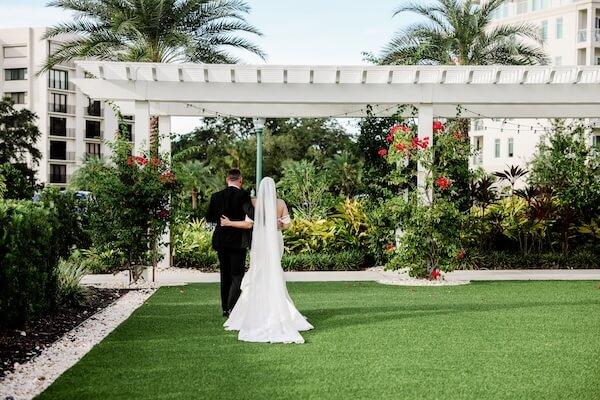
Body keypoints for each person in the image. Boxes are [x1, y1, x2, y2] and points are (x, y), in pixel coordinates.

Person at [221, 177, 313, 344]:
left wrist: (228, 223)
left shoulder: (254, 203)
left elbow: (248, 225)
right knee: (273, 270)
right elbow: (286, 225)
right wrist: (277, 223)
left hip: (260, 241)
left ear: (260, 188)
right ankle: (278, 306)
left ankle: (256, 308)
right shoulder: (280, 203)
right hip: (275, 240)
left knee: (259, 271)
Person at [206, 169, 254, 317]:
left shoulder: (216, 197)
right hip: (238, 242)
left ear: (227, 179)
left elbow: (209, 218)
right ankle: (233, 306)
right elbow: (252, 214)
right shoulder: (243, 195)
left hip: (221, 241)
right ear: (240, 180)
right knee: (237, 274)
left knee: (224, 274)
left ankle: (225, 309)